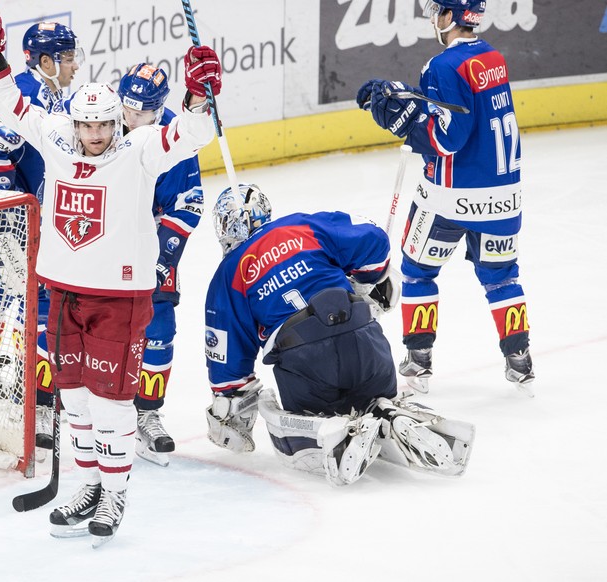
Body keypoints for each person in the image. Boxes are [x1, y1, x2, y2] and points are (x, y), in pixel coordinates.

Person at [0, 6, 220, 546]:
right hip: (63, 290)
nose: (96, 134)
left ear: (115, 124)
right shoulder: (55, 136)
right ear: (74, 122)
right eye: (88, 124)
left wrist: (198, 97)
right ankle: (84, 487)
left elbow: (192, 134)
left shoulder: (141, 149)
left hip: (119, 298)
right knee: (73, 399)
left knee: (111, 403)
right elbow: (5, 103)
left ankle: (115, 494)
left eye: (105, 124)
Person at [204, 184, 475, 486]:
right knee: (374, 396)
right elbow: (373, 240)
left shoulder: (229, 273)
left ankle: (334, 435)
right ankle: (387, 414)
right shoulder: (304, 224)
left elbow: (227, 357)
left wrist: (228, 405)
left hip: (306, 365)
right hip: (367, 344)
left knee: (291, 446)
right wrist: (369, 279)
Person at [355, 0, 535, 395]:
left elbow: (447, 138)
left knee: (418, 270)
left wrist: (404, 124)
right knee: (503, 278)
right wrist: (419, 102)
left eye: (438, 9)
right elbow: (465, 112)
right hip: (504, 196)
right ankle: (519, 359)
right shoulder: (493, 57)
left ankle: (419, 359)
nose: (432, 16)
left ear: (452, 16)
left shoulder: (440, 66)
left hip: (449, 198)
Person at [0, 22, 84, 453]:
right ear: (46, 62)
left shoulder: (47, 91)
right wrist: (13, 220)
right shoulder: (30, 92)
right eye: (69, 57)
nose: (76, 65)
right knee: (28, 291)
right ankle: (21, 382)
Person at [117, 63, 204, 467]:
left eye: (143, 114)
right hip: (102, 239)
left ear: (160, 109)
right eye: (128, 111)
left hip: (150, 242)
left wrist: (162, 256)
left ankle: (147, 412)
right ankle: (69, 403)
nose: (132, 121)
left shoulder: (174, 136)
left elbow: (188, 203)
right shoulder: (99, 123)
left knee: (159, 323)